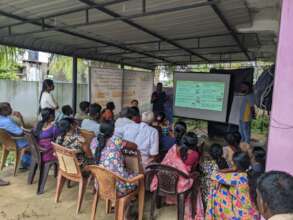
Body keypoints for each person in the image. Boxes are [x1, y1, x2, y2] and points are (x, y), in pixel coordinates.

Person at [151, 132, 204, 220]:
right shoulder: (194, 154)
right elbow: (192, 169)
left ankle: (164, 202)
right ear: (195, 144)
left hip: (163, 179)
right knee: (196, 179)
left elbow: (166, 161)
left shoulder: (174, 148)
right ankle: (192, 207)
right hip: (180, 184)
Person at [206, 152, 259, 220]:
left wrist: (232, 169)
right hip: (253, 213)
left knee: (217, 188)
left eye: (233, 163)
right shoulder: (250, 175)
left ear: (236, 165)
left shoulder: (236, 177)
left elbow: (214, 175)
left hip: (242, 215)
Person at [95, 121, 138, 195]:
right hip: (117, 187)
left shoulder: (96, 141)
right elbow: (134, 146)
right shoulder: (116, 140)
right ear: (113, 131)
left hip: (100, 184)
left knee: (126, 171)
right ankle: (127, 200)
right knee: (137, 176)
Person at [199, 144, 228, 209]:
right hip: (221, 190)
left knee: (202, 179)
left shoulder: (208, 164)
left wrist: (201, 157)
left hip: (210, 190)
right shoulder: (224, 162)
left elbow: (200, 168)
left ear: (210, 154)